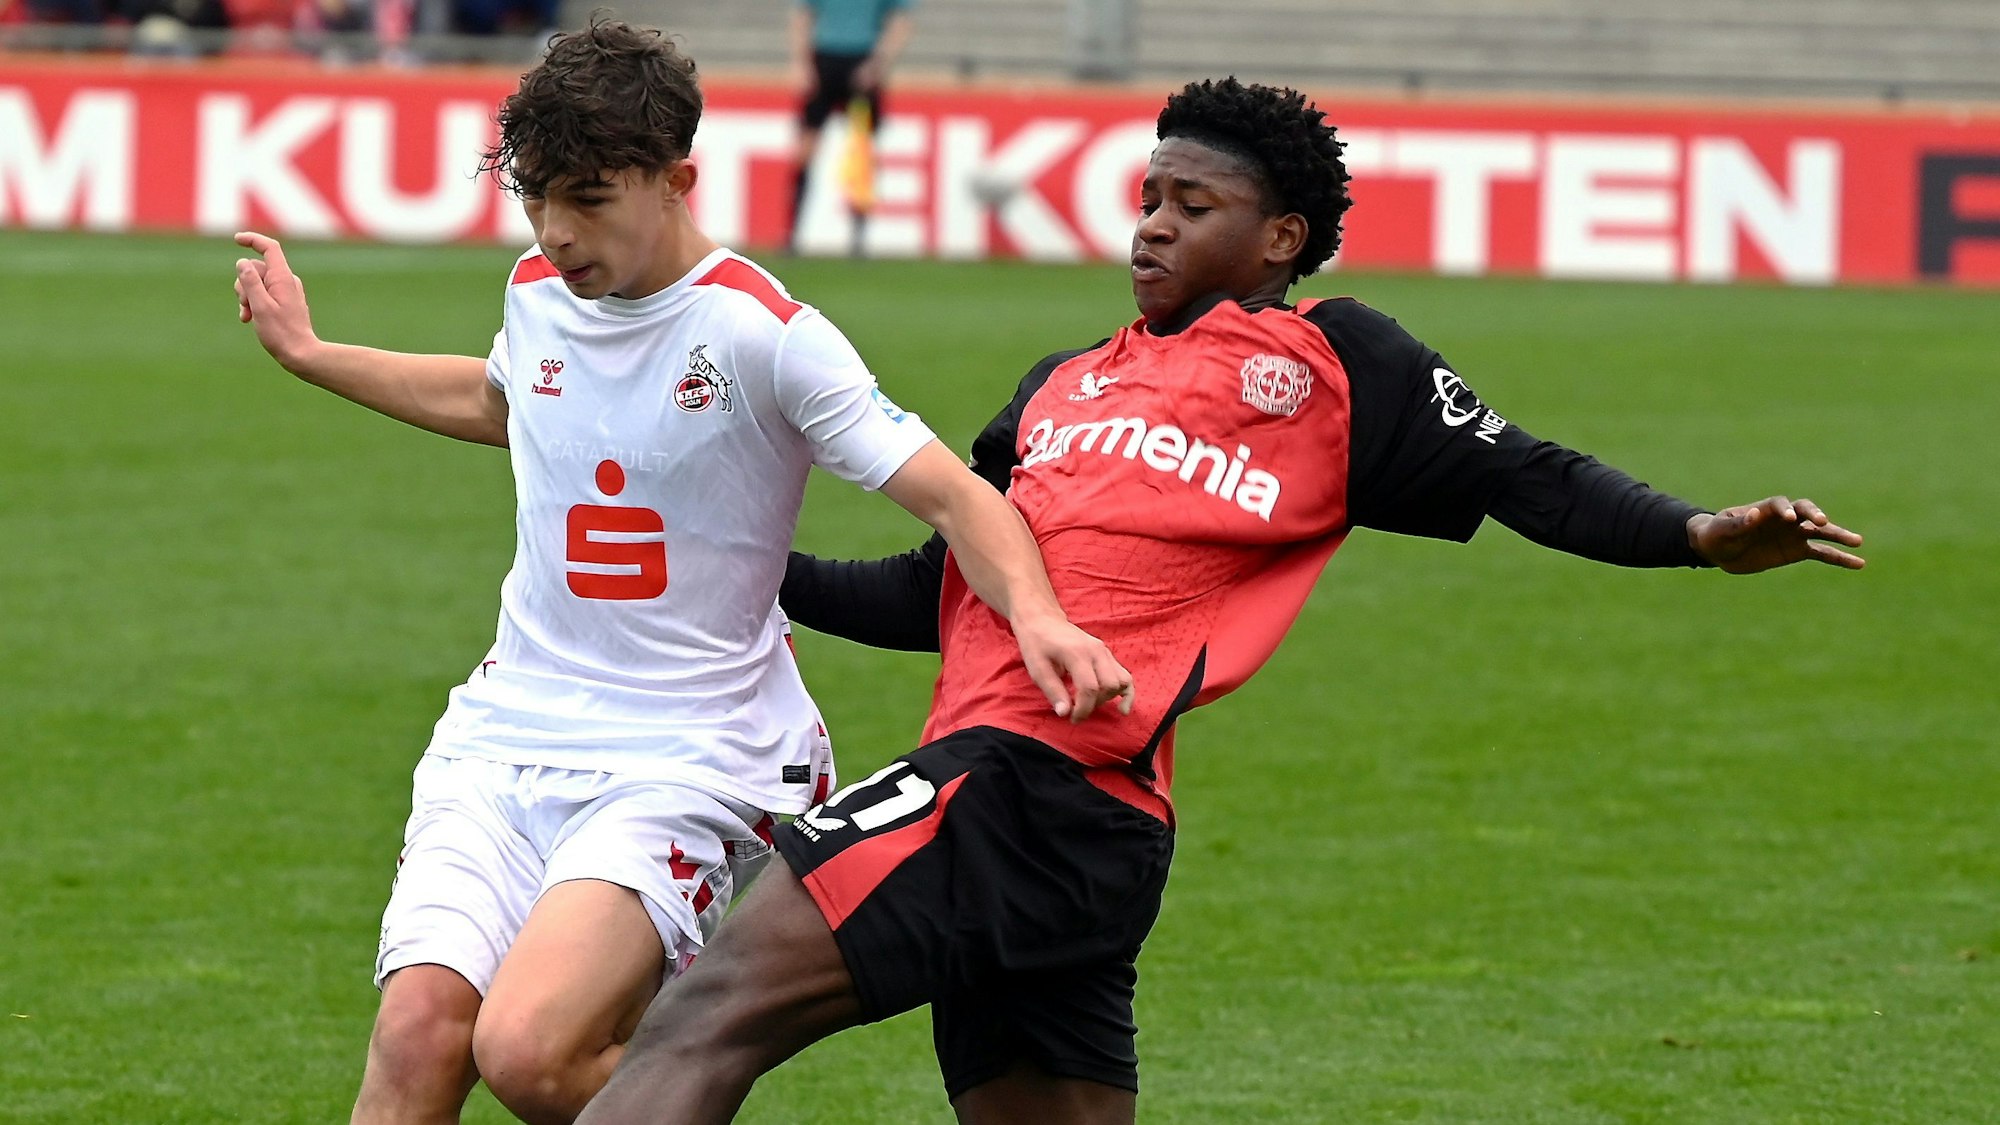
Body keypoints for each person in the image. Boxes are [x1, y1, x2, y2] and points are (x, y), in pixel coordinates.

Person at [576, 77, 1867, 1125]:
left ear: (1282, 239)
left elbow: (1530, 476)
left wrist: (1699, 534)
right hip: (1081, 829)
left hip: (1030, 783)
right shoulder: (1057, 385)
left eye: (1194, 204)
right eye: (1148, 196)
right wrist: (748, 570)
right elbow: (944, 590)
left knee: (713, 1010)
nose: (1151, 224)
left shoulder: (1337, 364)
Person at [232, 20, 1129, 1125]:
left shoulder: (766, 337)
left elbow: (955, 492)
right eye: (535, 199)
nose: (556, 232)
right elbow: (504, 404)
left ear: (676, 180)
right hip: (506, 732)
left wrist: (1034, 613)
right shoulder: (535, 288)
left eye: (589, 198)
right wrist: (315, 358)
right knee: (419, 1036)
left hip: (691, 752)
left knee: (529, 1051)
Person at [785, 0, 914, 250]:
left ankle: (858, 235)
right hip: (824, 60)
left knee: (861, 151)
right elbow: (803, 15)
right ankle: (792, 233)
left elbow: (900, 21)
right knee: (806, 151)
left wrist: (877, 64)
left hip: (862, 60)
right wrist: (802, 63)